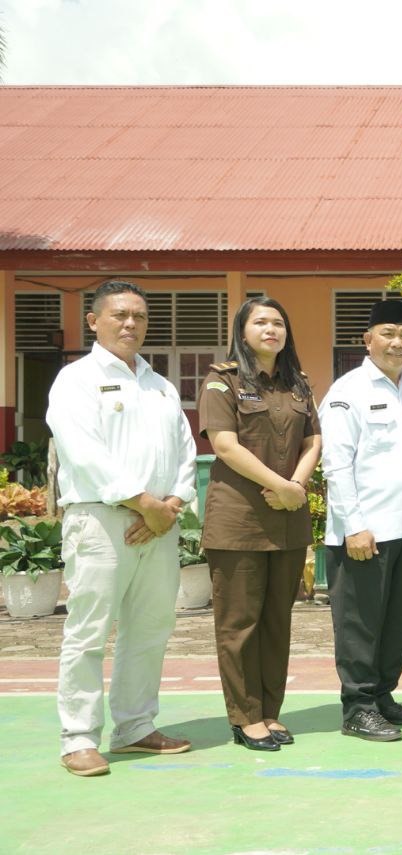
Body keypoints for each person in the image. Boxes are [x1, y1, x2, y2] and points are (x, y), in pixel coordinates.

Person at [46, 280, 197, 776]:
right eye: (119, 315)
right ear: (94, 321)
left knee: (150, 628)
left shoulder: (159, 384)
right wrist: (143, 503)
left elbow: (185, 450)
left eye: (139, 316)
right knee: (89, 631)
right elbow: (83, 452)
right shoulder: (76, 379)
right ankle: (79, 738)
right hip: (101, 521)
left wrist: (170, 503)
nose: (130, 324)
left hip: (159, 525)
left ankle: (134, 727)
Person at [197, 296, 321, 751]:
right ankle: (244, 716)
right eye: (261, 322)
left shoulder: (298, 384)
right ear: (243, 331)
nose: (272, 329)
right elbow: (225, 446)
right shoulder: (221, 381)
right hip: (240, 520)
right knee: (239, 624)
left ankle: (270, 711)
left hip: (286, 520)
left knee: (276, 621)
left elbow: (314, 439)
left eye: (278, 323)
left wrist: (296, 485)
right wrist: (283, 486)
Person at [319, 299, 402, 742]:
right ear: (368, 340)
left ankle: (383, 696)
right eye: (388, 333)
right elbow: (337, 463)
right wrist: (353, 526)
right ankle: (358, 707)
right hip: (366, 531)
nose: (398, 343)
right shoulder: (349, 391)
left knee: (397, 621)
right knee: (360, 624)